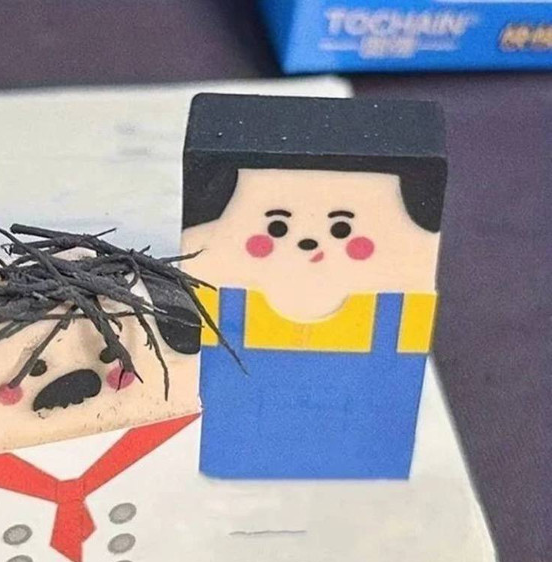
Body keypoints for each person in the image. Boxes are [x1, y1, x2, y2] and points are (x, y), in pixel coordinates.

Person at [181, 94, 447, 479]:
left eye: (341, 229)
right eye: (277, 227)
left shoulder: (396, 316)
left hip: (362, 453)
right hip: (231, 445)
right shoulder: (220, 303)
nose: (308, 242)